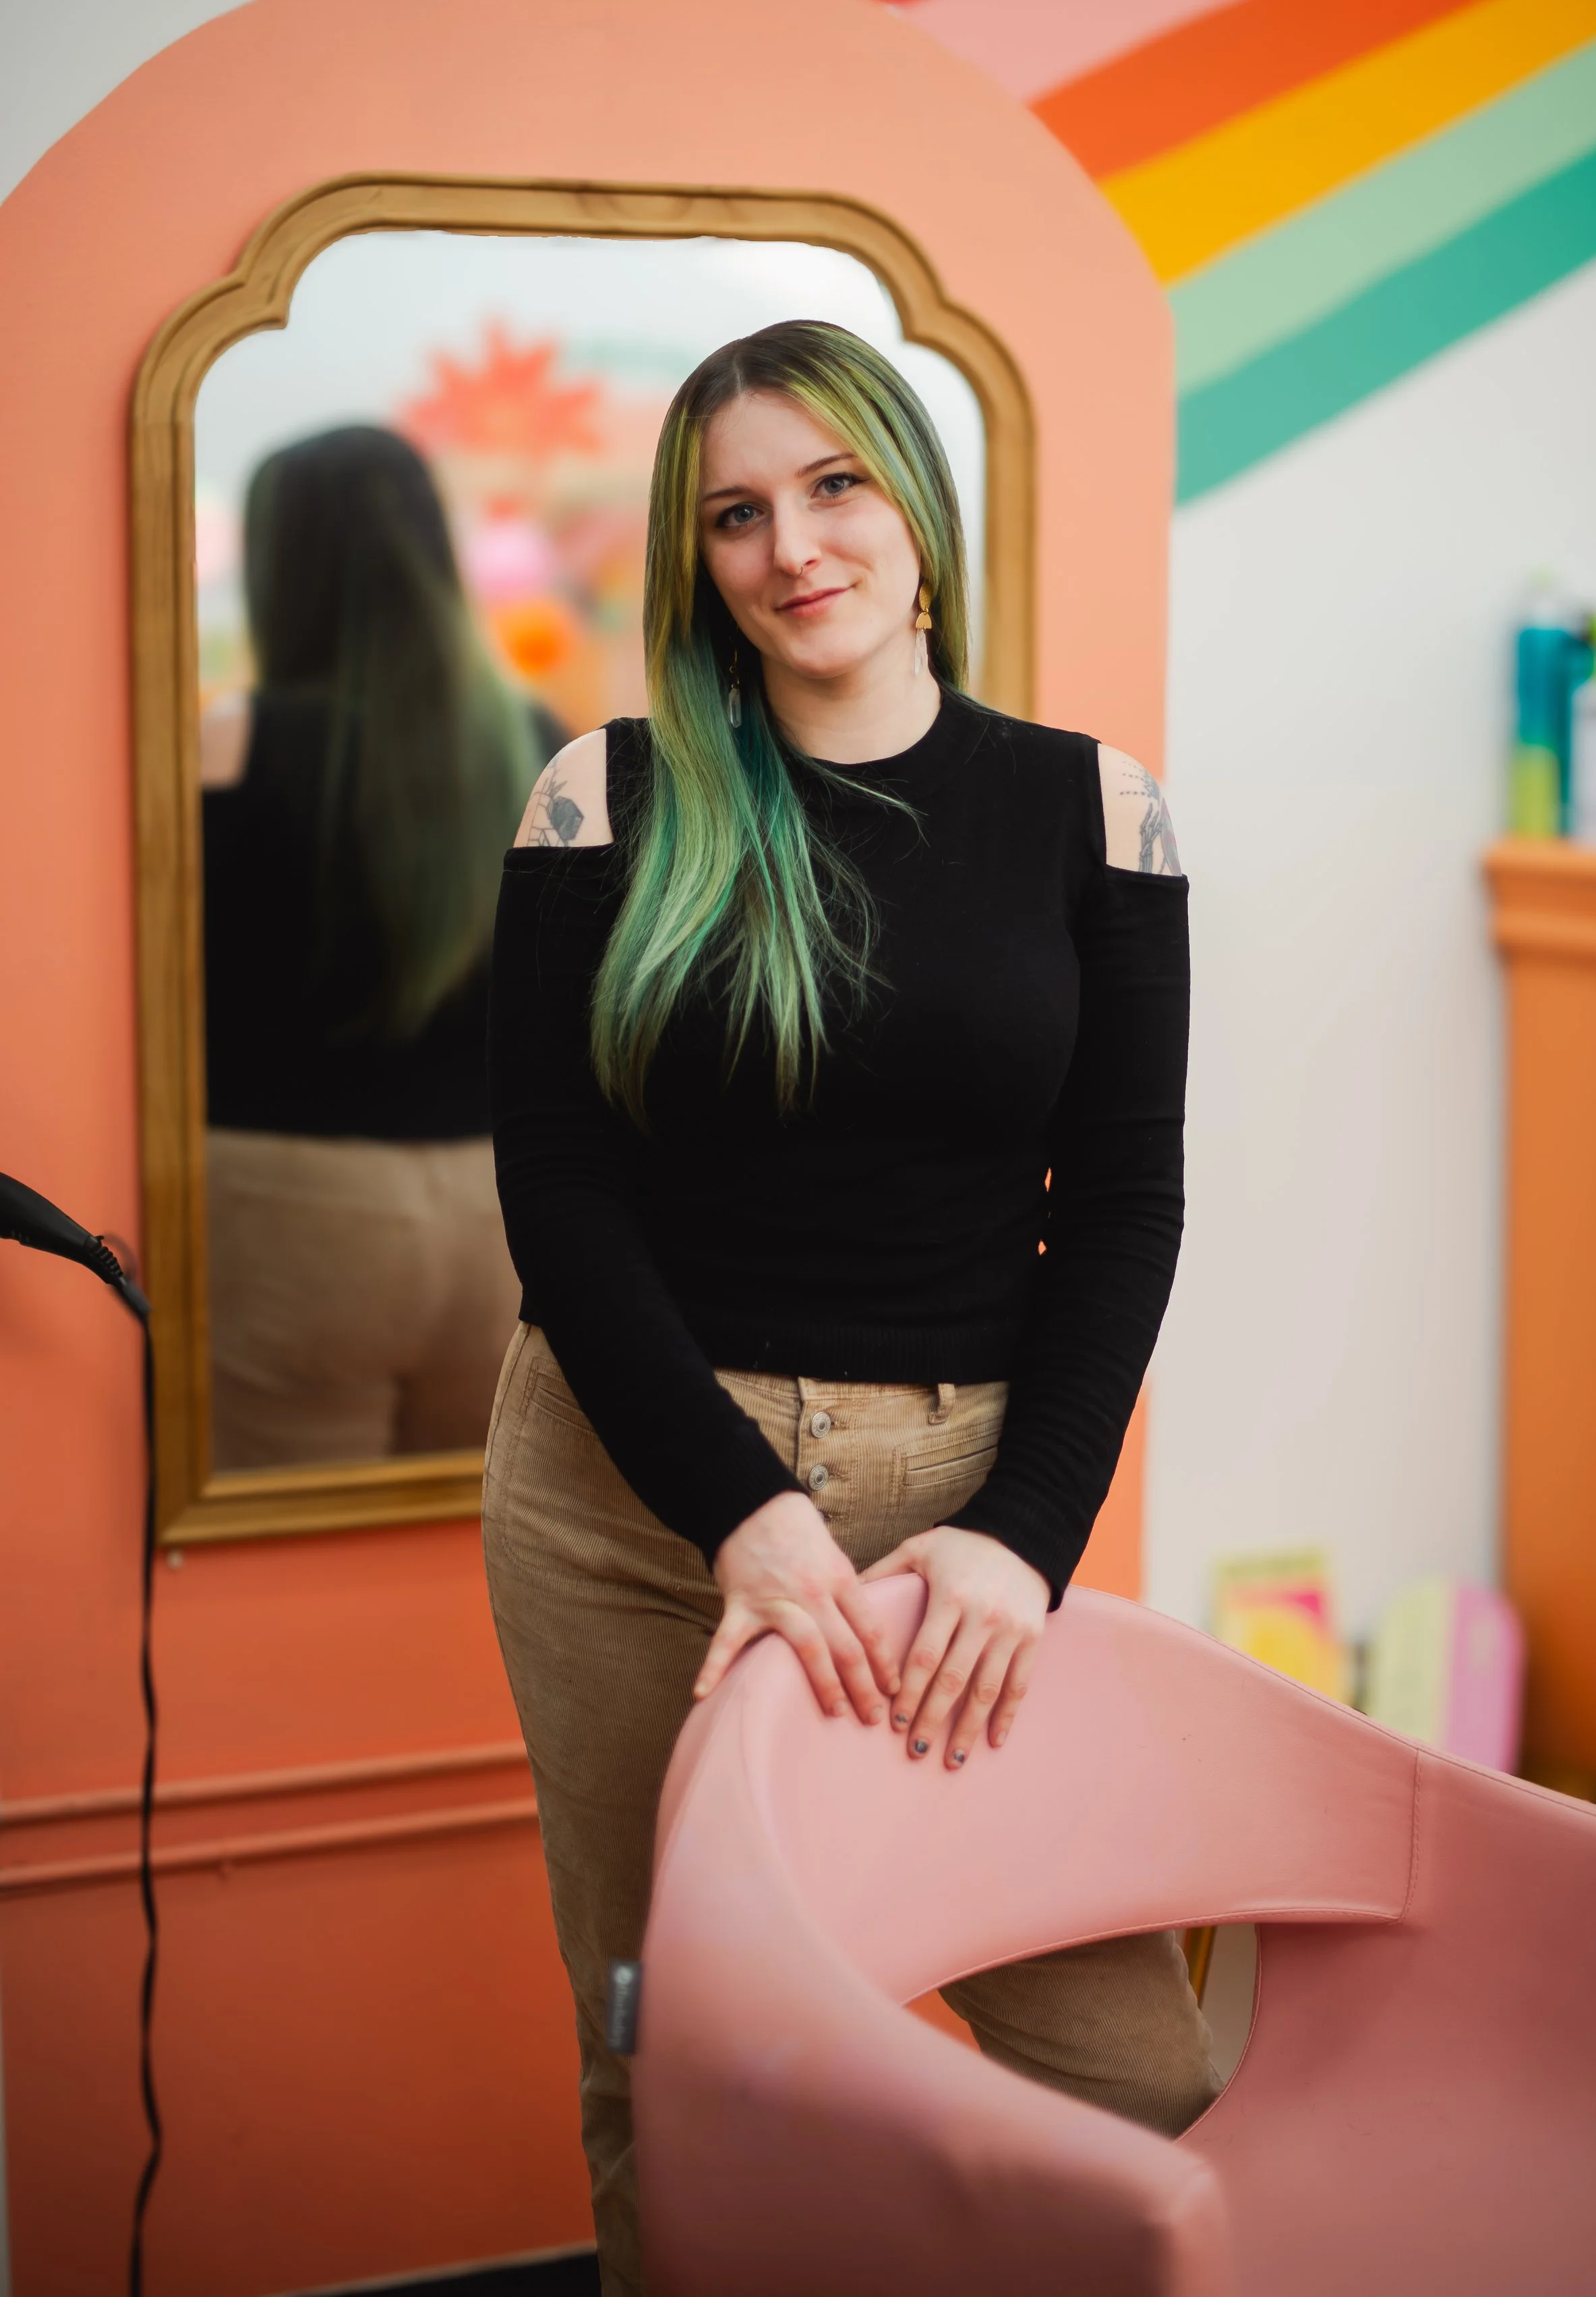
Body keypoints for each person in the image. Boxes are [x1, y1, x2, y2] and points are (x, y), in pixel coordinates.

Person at [481, 322, 1212, 2294]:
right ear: (692, 557)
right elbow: (556, 1192)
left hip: (958, 1513)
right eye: (733, 515)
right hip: (628, 1507)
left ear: (914, 504)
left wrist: (1023, 1539)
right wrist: (740, 1511)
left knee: (1137, 2075)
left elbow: (1123, 1205)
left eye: (831, 487)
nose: (791, 547)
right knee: (667, 2045)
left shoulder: (1095, 812)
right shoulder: (604, 801)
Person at [200, 425, 559, 1468]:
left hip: (294, 1212)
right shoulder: (534, 737)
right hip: (496, 1209)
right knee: (466, 1529)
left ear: (281, 566)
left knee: (285, 1534)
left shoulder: (235, 740)